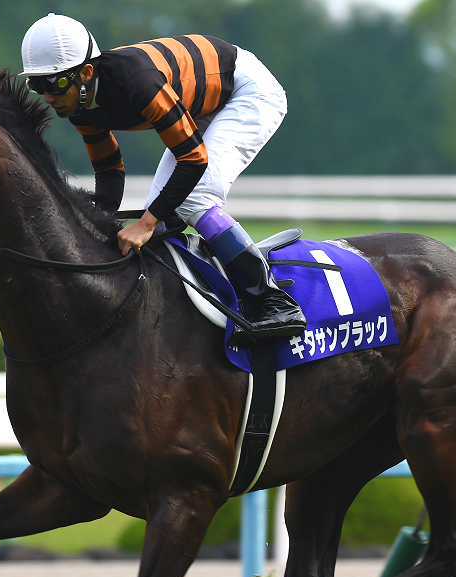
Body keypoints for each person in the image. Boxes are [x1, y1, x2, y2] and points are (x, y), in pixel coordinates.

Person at [18, 13, 306, 343]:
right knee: (166, 213)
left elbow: (193, 159)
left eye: (54, 84)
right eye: (36, 85)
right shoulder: (79, 104)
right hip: (201, 102)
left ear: (85, 73)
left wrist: (145, 223)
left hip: (247, 92)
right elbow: (110, 170)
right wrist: (99, 222)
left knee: (193, 199)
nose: (47, 97)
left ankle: (274, 302)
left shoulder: (137, 83)